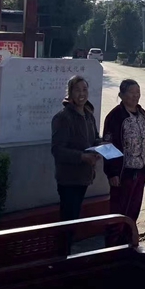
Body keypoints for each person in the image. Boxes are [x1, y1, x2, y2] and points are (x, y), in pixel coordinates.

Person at [102, 79, 145, 244]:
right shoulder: (115, 116)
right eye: (131, 92)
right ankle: (112, 246)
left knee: (133, 210)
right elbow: (107, 146)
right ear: (121, 94)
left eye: (138, 92)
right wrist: (112, 172)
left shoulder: (141, 113)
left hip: (141, 171)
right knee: (118, 211)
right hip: (123, 173)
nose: (135, 96)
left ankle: (128, 242)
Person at [51, 75, 102, 222]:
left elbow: (94, 138)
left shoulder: (88, 115)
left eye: (84, 89)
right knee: (68, 219)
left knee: (75, 217)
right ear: (70, 92)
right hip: (69, 178)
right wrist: (82, 157)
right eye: (77, 90)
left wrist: (102, 145)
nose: (82, 94)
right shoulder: (63, 117)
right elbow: (57, 150)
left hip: (84, 176)